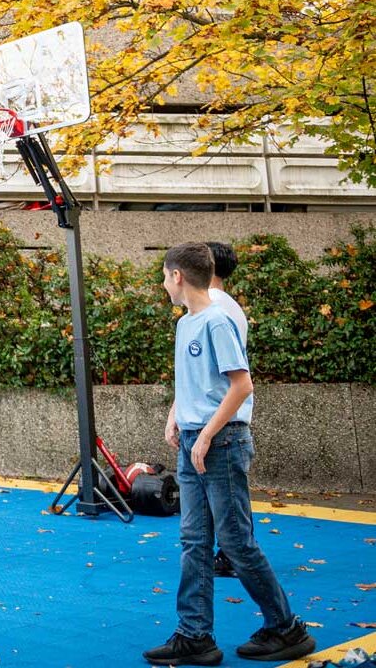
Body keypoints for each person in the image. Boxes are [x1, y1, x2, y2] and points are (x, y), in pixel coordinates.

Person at [142, 243, 315, 667]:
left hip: (220, 442)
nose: (164, 285)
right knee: (194, 541)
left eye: (165, 276)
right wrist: (176, 417)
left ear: (178, 276)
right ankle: (194, 636)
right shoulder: (187, 324)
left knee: (236, 542)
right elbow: (195, 383)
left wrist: (205, 437)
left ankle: (285, 627)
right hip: (193, 440)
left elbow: (241, 385)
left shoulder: (218, 322)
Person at [206, 240, 249, 580]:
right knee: (227, 495)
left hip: (223, 416)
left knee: (229, 497)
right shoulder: (225, 305)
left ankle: (235, 555)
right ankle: (230, 553)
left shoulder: (216, 308)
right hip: (222, 412)